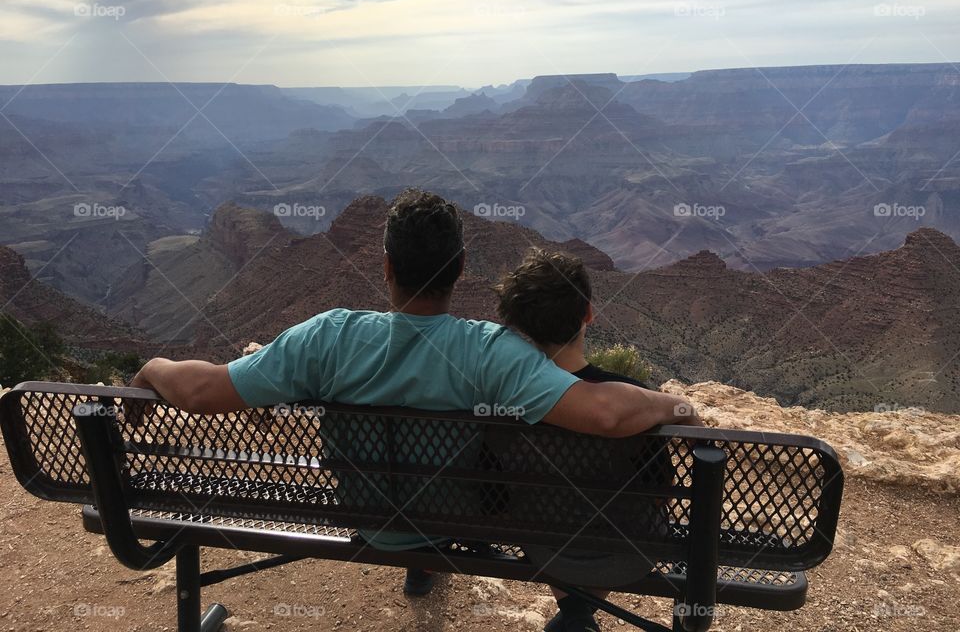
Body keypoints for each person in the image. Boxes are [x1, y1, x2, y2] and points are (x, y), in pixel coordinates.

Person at [129, 188, 701, 623]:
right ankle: (425, 558)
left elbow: (202, 391)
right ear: (460, 270)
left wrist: (152, 368)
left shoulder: (326, 338)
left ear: (386, 266)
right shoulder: (490, 352)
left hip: (364, 518)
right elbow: (603, 414)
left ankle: (417, 561)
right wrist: (675, 405)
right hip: (453, 523)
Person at [495, 248, 697, 632]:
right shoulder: (634, 401)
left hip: (542, 545)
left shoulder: (505, 403)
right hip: (629, 553)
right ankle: (579, 613)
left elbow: (498, 496)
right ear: (588, 313)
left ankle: (575, 613)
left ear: (520, 325)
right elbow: (659, 492)